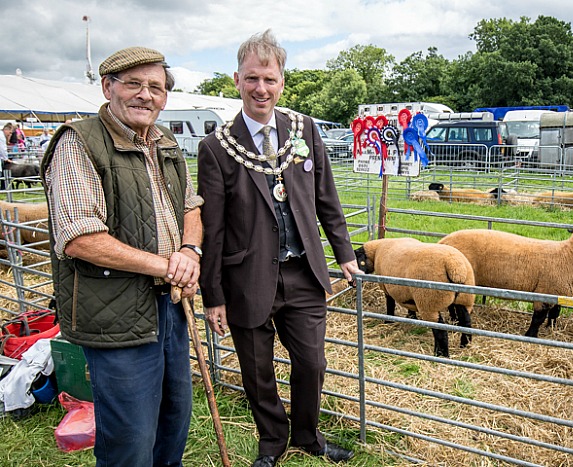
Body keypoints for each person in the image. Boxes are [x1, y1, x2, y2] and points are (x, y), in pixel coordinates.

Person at [198, 30, 361, 467]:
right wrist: (211, 294)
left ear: (282, 81)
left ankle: (307, 436)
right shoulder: (216, 147)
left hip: (303, 271)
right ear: (236, 80)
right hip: (246, 278)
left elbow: (326, 195)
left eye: (269, 79)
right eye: (252, 78)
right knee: (257, 371)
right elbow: (211, 227)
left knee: (312, 363)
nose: (261, 89)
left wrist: (344, 253)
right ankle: (272, 443)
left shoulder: (304, 129)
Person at [40, 46, 203, 467]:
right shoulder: (80, 142)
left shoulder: (165, 143)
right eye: (133, 84)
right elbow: (80, 237)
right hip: (114, 312)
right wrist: (170, 266)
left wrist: (189, 250)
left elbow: (190, 206)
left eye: (156, 87)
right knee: (130, 436)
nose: (146, 95)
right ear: (108, 86)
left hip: (169, 306)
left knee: (173, 418)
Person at [0, 123, 10, 189]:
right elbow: (2, 148)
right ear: (6, 130)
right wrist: (6, 158)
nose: (9, 134)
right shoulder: (1, 135)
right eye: (10, 132)